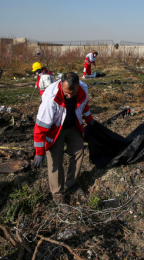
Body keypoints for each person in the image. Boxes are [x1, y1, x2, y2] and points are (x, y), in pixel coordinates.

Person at [33, 72, 94, 203]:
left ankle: (71, 183)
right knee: (56, 160)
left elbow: (84, 105)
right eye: (67, 92)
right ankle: (57, 193)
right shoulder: (51, 98)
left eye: (73, 93)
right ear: (61, 84)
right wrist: (39, 151)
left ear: (78, 86)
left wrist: (89, 119)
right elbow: (40, 127)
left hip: (72, 125)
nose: (70, 95)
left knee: (79, 151)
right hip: (55, 129)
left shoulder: (83, 89)